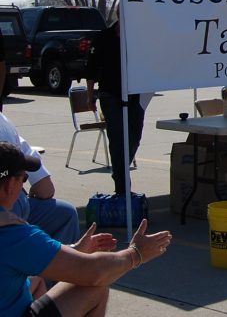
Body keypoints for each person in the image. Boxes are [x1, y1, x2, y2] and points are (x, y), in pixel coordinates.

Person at [0, 141, 171, 317]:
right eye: (23, 178)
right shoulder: (14, 234)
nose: (23, 187)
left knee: (36, 280)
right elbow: (95, 272)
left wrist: (74, 250)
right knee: (94, 288)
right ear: (9, 185)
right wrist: (136, 253)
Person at [0, 113, 79, 245]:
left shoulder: (3, 120)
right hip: (8, 202)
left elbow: (20, 151)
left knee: (65, 213)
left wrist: (39, 177)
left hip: (18, 200)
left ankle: (59, 262)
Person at [85, 20, 144, 196]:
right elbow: (91, 68)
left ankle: (120, 168)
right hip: (109, 94)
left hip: (135, 95)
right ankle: (122, 187)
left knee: (134, 136)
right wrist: (90, 96)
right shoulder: (103, 37)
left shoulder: (137, 35)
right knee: (118, 140)